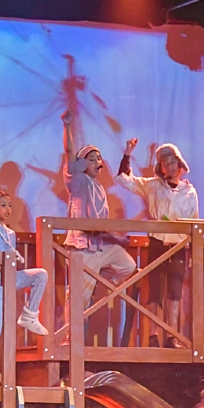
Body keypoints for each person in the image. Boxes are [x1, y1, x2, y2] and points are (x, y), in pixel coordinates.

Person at [0, 146, 49, 386]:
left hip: (8, 278)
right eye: (3, 205)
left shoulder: (10, 233)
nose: (7, 209)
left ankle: (29, 315)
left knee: (40, 274)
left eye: (9, 205)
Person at [115, 138, 199, 347]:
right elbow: (124, 180)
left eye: (172, 162)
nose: (169, 166)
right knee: (155, 290)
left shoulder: (189, 192)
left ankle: (171, 336)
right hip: (157, 243)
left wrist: (191, 250)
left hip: (178, 246)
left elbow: (194, 223)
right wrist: (128, 153)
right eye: (164, 163)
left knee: (175, 292)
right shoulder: (152, 186)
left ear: (179, 164)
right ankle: (153, 336)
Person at [59, 110, 136, 338]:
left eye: (98, 159)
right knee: (78, 299)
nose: (97, 162)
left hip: (100, 247)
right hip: (83, 248)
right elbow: (69, 153)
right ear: (82, 164)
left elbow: (100, 225)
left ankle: (96, 277)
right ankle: (70, 340)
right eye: (91, 159)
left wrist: (117, 239)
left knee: (128, 265)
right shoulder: (78, 181)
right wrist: (67, 126)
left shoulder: (100, 188)